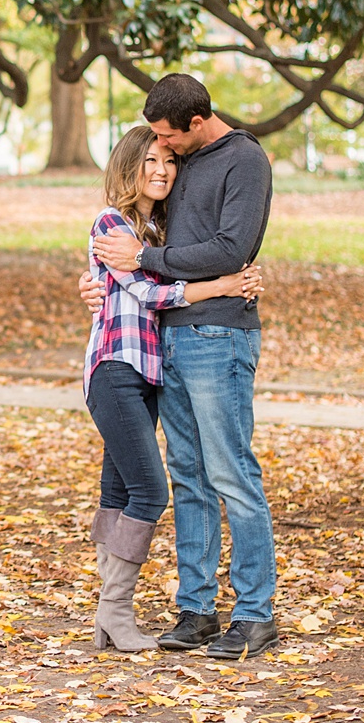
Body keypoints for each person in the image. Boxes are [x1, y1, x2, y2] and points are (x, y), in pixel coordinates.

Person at [79, 73, 277, 661]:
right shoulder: (179, 159)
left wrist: (142, 261)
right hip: (167, 341)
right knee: (187, 474)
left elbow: (227, 250)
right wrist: (99, 282)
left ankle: (254, 613)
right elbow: (134, 240)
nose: (162, 154)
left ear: (194, 123)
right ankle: (197, 608)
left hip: (219, 335)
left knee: (230, 473)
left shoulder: (244, 160)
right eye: (155, 149)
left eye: (167, 140)